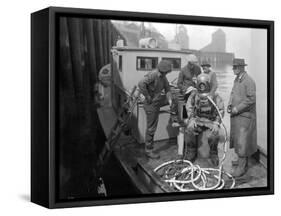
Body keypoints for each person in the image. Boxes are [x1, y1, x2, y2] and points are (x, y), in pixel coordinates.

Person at [185, 73, 224, 166]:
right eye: (200, 84)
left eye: (204, 84)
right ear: (197, 83)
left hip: (210, 122)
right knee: (189, 130)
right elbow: (189, 108)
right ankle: (191, 151)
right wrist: (191, 120)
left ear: (208, 84)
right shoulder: (194, 95)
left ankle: (213, 153)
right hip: (197, 120)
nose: (202, 86)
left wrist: (216, 123)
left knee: (214, 134)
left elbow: (221, 110)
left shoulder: (215, 96)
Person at [228, 58, 257, 177]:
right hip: (237, 116)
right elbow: (233, 93)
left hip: (245, 116)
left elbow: (251, 99)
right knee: (237, 139)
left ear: (241, 68)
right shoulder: (237, 79)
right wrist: (230, 104)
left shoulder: (248, 81)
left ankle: (242, 167)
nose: (233, 69)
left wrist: (237, 108)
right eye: (233, 67)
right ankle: (240, 160)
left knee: (242, 141)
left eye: (235, 67)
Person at [138, 60, 173, 159]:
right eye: (167, 72)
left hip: (157, 101)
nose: (167, 73)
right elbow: (141, 84)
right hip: (151, 104)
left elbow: (167, 89)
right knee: (151, 128)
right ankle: (148, 150)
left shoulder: (163, 77)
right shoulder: (154, 74)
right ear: (163, 71)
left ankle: (176, 120)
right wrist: (147, 96)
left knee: (176, 98)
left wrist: (170, 100)